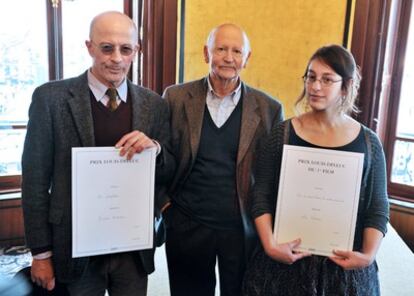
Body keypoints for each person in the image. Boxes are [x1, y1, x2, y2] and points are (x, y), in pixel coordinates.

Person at [21, 11, 174, 296]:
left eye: (125, 49)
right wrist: (41, 254)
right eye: (107, 47)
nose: (116, 57)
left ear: (136, 52)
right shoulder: (50, 99)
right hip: (75, 246)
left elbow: (169, 171)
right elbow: (35, 182)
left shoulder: (155, 105)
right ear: (90, 47)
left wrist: (156, 150)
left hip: (132, 247)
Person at [242, 44, 390, 296]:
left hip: (344, 268)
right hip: (285, 262)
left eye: (327, 79)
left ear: (346, 86)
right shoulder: (283, 134)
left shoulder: (368, 143)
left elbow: (378, 204)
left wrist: (367, 256)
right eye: (311, 77)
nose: (315, 86)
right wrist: (269, 245)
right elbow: (261, 193)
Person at [161, 23, 284, 296]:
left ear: (247, 59)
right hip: (186, 223)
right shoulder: (176, 97)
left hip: (241, 228)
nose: (229, 57)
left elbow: (270, 175)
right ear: (207, 53)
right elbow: (161, 157)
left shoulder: (269, 109)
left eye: (237, 51)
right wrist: (165, 205)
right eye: (221, 49)